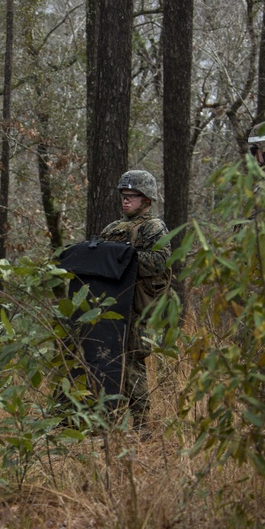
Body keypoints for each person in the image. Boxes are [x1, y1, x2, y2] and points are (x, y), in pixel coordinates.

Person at [97, 170, 171, 421]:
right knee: (105, 358)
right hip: (111, 303)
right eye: (124, 195)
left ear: (147, 200)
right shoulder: (113, 228)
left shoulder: (154, 227)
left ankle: (141, 422)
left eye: (133, 196)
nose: (126, 200)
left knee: (132, 361)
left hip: (138, 306)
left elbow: (159, 262)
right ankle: (106, 419)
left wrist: (123, 259)